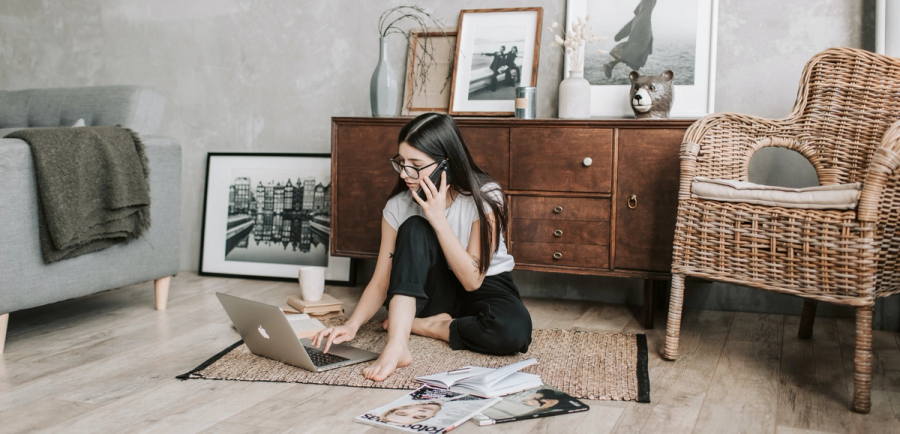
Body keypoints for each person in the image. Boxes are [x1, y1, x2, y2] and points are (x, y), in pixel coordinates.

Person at [311, 112, 532, 382]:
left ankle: (429, 326)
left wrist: (439, 219)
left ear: (445, 163)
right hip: (431, 288)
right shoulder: (398, 205)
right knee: (415, 226)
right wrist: (352, 325)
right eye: (401, 162)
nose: (405, 173)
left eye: (415, 164)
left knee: (513, 331)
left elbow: (473, 280)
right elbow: (381, 280)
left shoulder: (485, 198)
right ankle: (397, 344)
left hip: (486, 283)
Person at [604, 0, 657, 78]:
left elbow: (637, 13)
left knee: (639, 49)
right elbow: (639, 13)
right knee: (638, 48)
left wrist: (622, 33)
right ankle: (611, 65)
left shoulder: (644, 4)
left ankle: (635, 73)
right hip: (643, 23)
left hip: (642, 22)